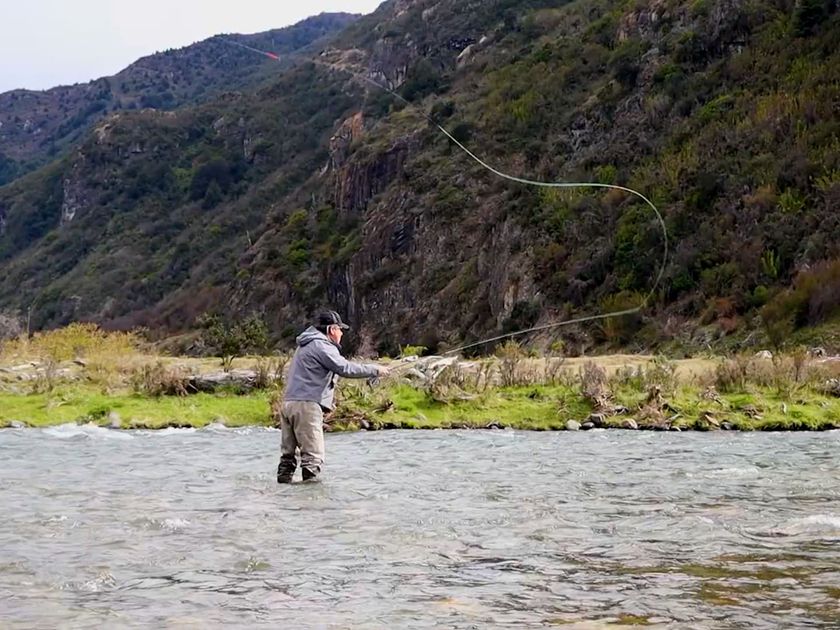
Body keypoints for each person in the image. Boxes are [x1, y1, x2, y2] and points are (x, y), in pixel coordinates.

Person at [276, 310, 386, 483]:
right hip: (307, 406)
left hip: (289, 404)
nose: (341, 333)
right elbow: (344, 368)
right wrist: (375, 370)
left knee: (288, 456)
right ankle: (311, 498)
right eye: (340, 329)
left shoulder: (304, 344)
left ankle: (283, 494)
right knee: (312, 458)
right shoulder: (322, 345)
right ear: (332, 329)